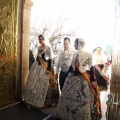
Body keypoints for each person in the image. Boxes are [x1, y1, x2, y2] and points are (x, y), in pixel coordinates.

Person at [56, 38, 101, 120]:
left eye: (75, 44)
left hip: (83, 79)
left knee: (82, 99)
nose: (74, 45)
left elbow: (91, 67)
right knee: (67, 97)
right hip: (72, 77)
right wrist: (67, 75)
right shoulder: (74, 53)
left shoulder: (88, 54)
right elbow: (71, 66)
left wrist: (93, 79)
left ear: (79, 44)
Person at [24, 35, 59, 109]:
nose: (39, 41)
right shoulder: (38, 47)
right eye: (39, 39)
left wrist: (48, 70)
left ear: (44, 39)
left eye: (41, 39)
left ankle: (45, 102)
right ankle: (34, 100)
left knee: (44, 83)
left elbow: (50, 59)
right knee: (34, 82)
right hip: (37, 66)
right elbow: (37, 58)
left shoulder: (48, 47)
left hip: (45, 67)